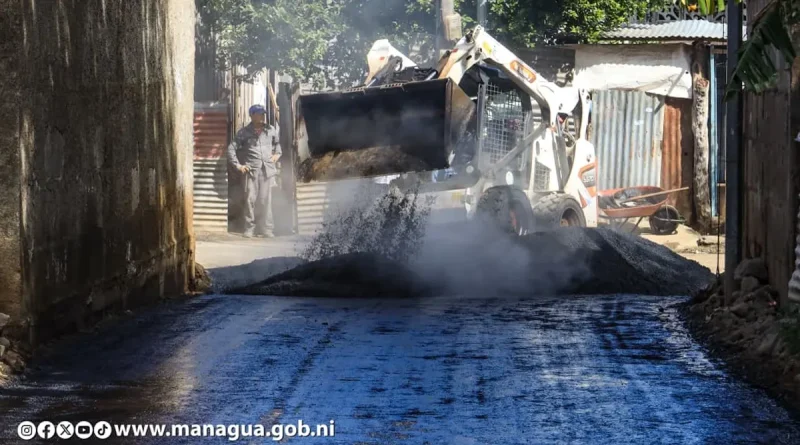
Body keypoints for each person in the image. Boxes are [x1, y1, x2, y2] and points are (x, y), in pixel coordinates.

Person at [227, 104, 281, 238]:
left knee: (266, 200)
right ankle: (249, 228)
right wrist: (238, 166)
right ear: (251, 115)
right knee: (250, 200)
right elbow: (231, 149)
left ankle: (267, 229)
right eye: (259, 113)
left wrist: (277, 155)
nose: (262, 116)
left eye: (263, 113)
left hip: (267, 171)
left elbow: (278, 146)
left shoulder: (270, 130)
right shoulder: (244, 132)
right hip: (251, 172)